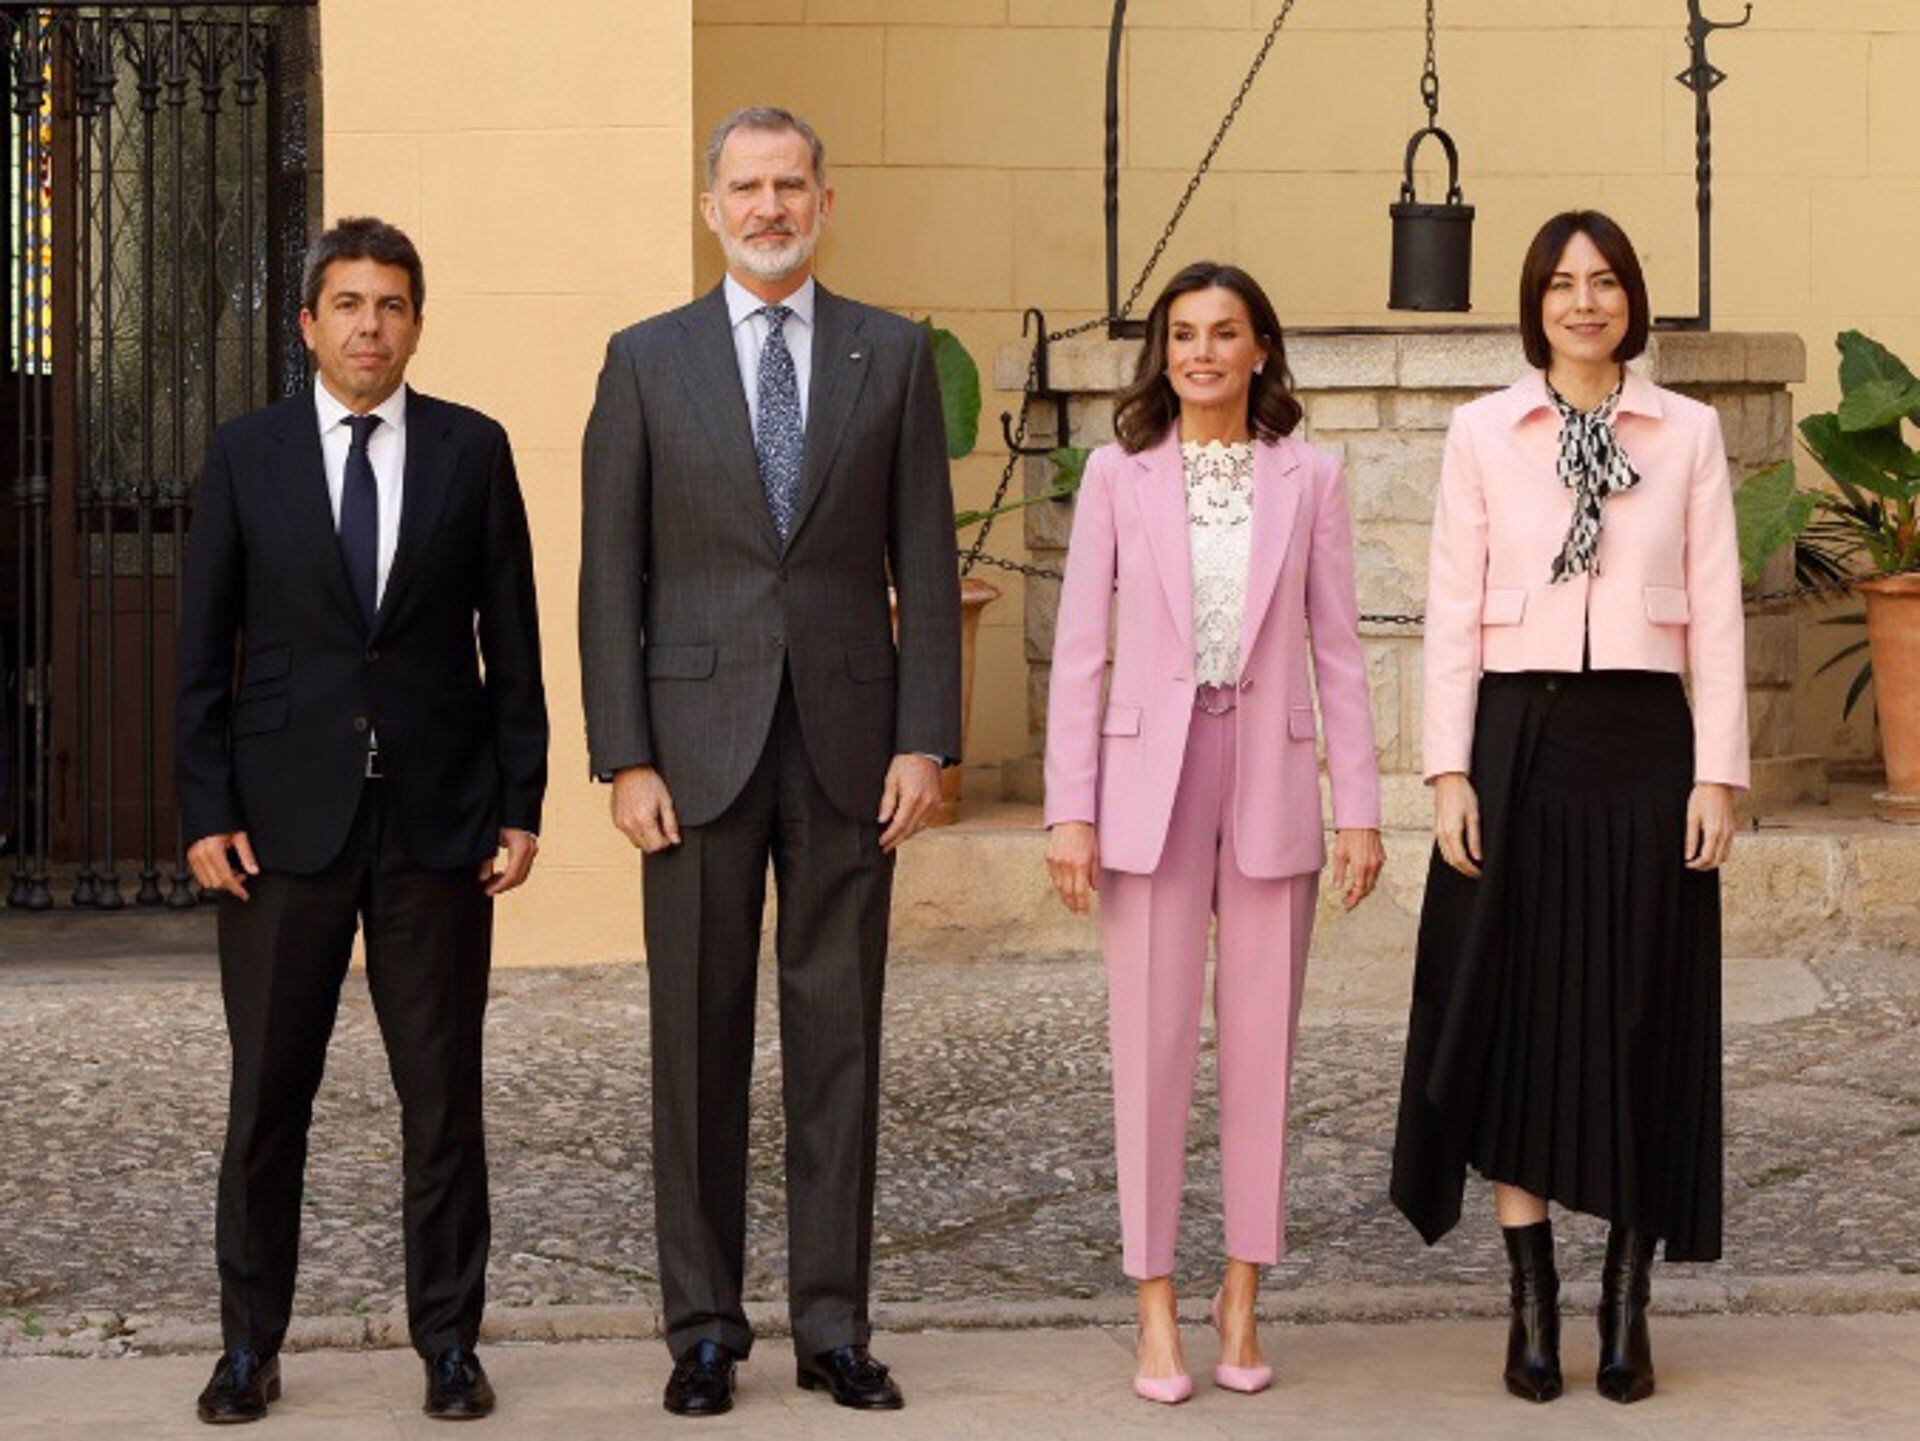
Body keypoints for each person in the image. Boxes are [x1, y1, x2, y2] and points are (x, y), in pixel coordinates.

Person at [579, 106, 961, 1418]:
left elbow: (926, 558)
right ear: (711, 206)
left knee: (838, 1042)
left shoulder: (894, 355)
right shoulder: (644, 361)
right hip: (687, 753)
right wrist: (621, 753)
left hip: (855, 748)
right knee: (695, 1044)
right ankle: (701, 1330)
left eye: (791, 183)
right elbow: (607, 576)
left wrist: (927, 734)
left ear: (825, 197)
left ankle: (834, 1326)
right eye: (745, 186)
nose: (768, 206)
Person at [176, 217, 548, 1424]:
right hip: (281, 830)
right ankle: (248, 1345)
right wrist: (204, 809)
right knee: (266, 1097)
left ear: (416, 324)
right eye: (347, 304)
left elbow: (515, 639)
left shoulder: (473, 451)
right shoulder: (247, 455)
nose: (369, 325)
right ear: (309, 323)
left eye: (390, 304)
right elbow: (200, 653)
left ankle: (449, 1340)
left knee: (442, 1098)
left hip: (438, 823)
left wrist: (523, 801)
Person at [1391, 210, 1747, 1406]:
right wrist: (1448, 771)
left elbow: (1718, 609)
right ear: (1533, 301)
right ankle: (1532, 1304)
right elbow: (1450, 607)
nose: (1584, 302)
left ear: (1631, 299)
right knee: (1517, 1015)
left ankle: (1626, 1303)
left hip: (1647, 743)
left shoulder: (1687, 433)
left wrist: (1718, 772)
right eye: (1562, 284)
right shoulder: (1484, 432)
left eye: (1603, 283)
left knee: (1642, 1011)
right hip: (1516, 744)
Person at [1044, 261, 1384, 1403]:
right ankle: (1154, 1310)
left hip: (1273, 778)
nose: (1201, 352)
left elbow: (1338, 650)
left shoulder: (1314, 478)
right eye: (1182, 334)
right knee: (1148, 1051)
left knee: (1262, 1051)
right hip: (1149, 780)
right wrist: (1070, 809)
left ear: (1259, 351)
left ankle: (1240, 1297)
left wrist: (1364, 810)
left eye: (1223, 333)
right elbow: (1082, 651)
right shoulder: (1115, 475)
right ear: (1164, 355)